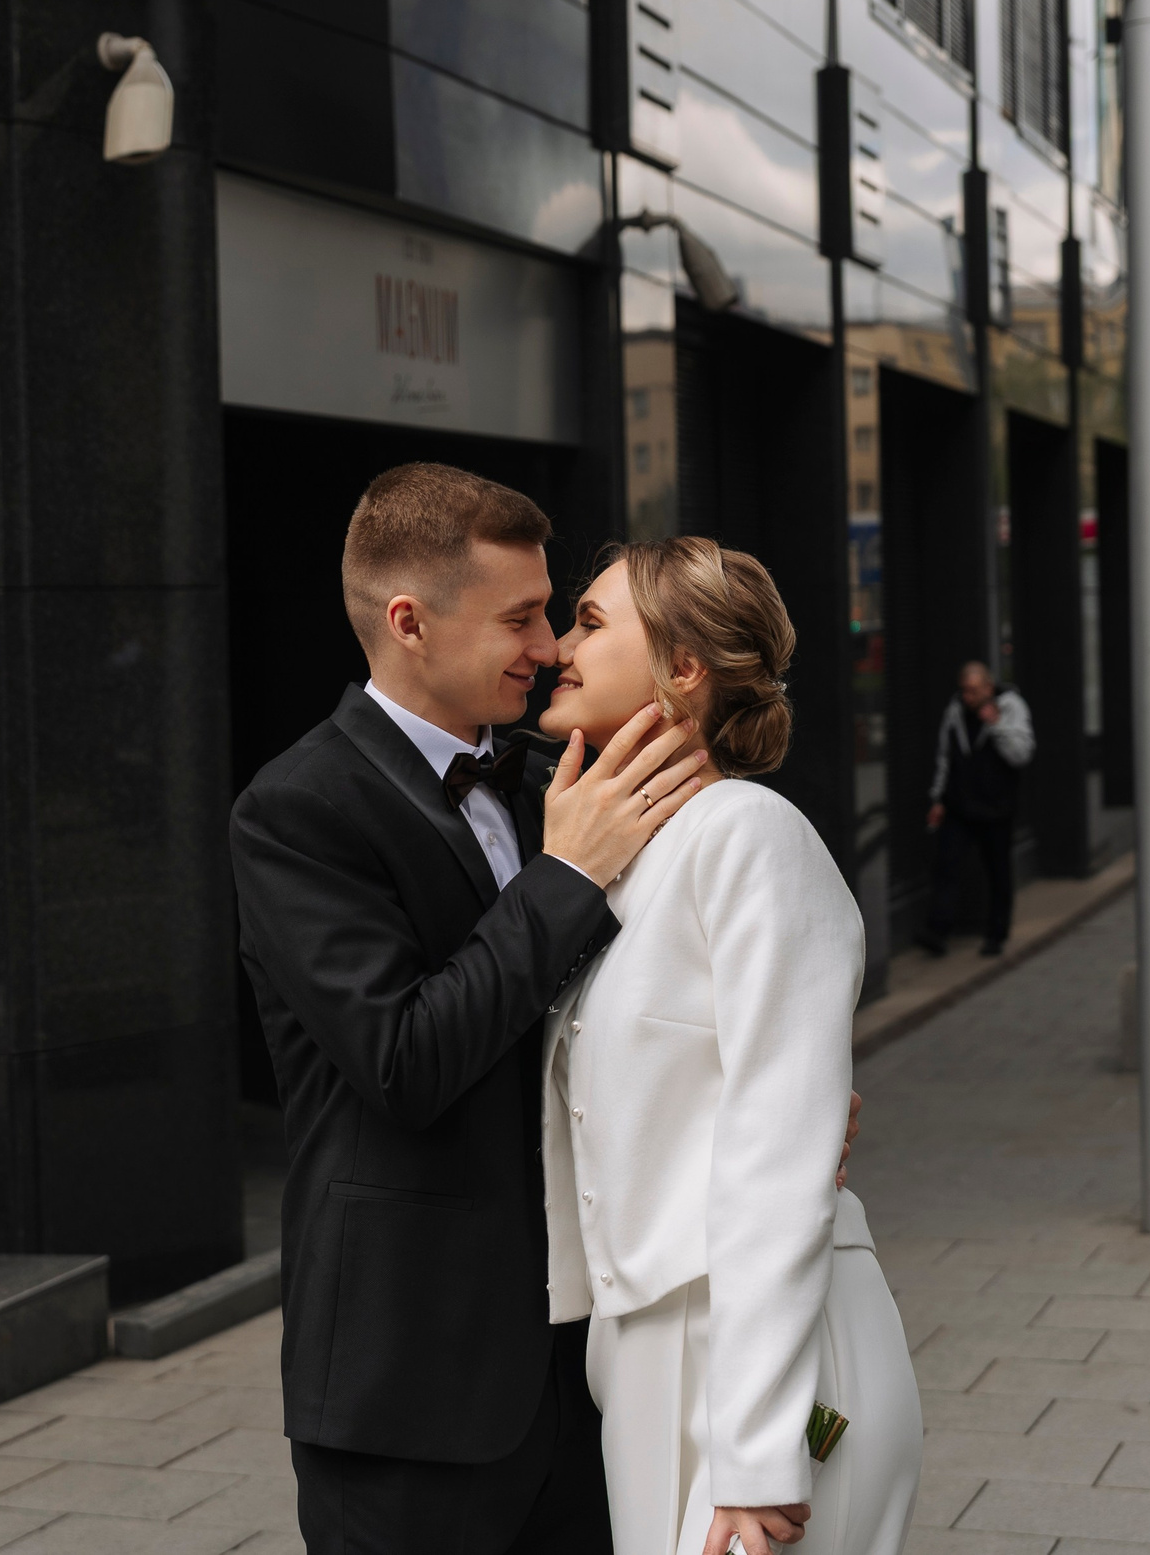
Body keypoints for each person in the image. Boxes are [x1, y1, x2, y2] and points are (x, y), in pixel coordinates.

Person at [228, 464, 714, 1555]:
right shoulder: (297, 809)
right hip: (412, 1388)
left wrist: (780, 1092)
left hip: (587, 1367)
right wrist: (566, 880)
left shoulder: (556, 769)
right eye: (522, 616)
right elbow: (402, 1058)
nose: (548, 646)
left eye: (552, 613)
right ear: (408, 622)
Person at [536, 537, 921, 1555]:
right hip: (648, 1356)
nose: (554, 648)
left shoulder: (747, 835)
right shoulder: (613, 870)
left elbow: (775, 1155)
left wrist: (754, 1454)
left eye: (587, 621)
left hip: (760, 1359)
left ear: (684, 668)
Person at [919, 660, 1034, 960]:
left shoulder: (1011, 706)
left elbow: (1021, 754)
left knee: (998, 873)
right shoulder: (956, 709)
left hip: (997, 808)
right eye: (964, 691)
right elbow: (946, 756)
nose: (967, 697)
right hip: (959, 807)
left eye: (973, 691)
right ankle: (937, 931)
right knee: (946, 866)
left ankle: (996, 934)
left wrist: (996, 725)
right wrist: (938, 799)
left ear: (988, 687)